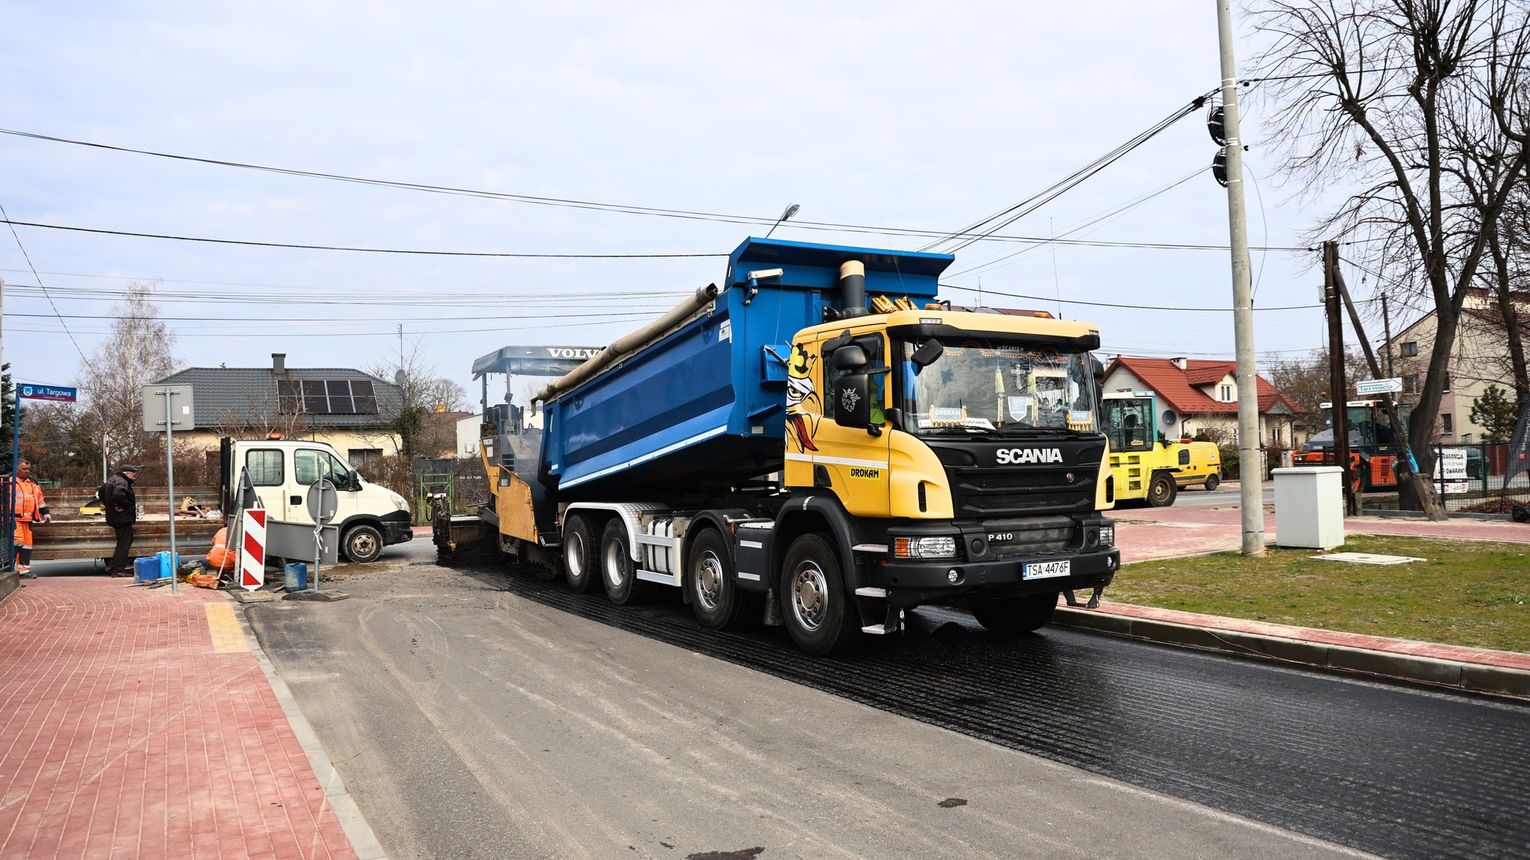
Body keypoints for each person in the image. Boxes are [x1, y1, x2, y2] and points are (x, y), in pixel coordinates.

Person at [10, 459, 50, 578]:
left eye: (28, 469)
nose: (27, 471)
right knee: (16, 542)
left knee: (27, 545)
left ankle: (23, 571)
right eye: (24, 469)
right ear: (16, 469)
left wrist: (45, 513)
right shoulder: (9, 482)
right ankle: (7, 570)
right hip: (14, 520)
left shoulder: (33, 483)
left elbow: (40, 500)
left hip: (28, 520)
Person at [104, 465, 141, 577]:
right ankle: (118, 570)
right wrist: (127, 506)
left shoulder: (113, 479)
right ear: (126, 473)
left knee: (122, 542)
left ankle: (112, 567)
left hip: (114, 517)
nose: (134, 477)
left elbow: (101, 492)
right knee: (124, 544)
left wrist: (109, 505)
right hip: (122, 518)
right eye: (133, 474)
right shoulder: (122, 482)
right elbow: (118, 495)